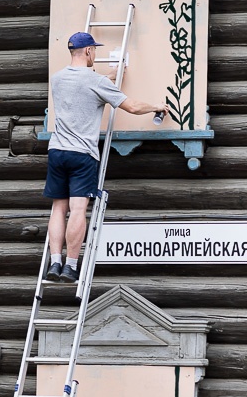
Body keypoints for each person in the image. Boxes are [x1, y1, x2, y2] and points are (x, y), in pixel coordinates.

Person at [43, 30, 163, 284]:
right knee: (77, 209)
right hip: (82, 155)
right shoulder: (96, 83)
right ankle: (71, 267)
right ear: (88, 51)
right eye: (94, 51)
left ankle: (55, 263)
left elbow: (83, 87)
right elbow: (131, 106)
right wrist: (156, 106)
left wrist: (107, 79)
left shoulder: (58, 79)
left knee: (58, 207)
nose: (95, 55)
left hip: (57, 151)